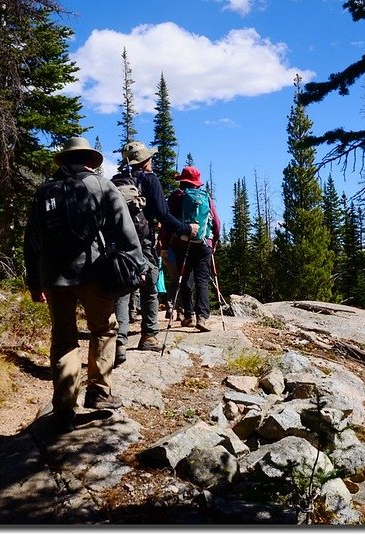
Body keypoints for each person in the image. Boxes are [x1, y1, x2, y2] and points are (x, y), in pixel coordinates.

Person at [23, 136, 146, 432]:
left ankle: (64, 407)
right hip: (94, 272)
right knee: (103, 329)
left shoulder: (43, 192)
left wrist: (34, 280)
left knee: (63, 338)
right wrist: (137, 265)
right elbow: (126, 230)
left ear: (64, 160)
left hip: (54, 276)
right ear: (90, 161)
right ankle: (99, 393)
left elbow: (31, 241)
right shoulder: (103, 186)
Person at [114, 141, 198, 358]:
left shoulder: (115, 181)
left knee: (123, 289)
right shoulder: (149, 180)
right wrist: (186, 228)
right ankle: (149, 336)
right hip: (143, 240)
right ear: (145, 161)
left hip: (118, 241)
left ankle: (119, 341)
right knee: (149, 287)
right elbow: (163, 214)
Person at [165, 166, 221, 332]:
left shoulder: (177, 197)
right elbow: (216, 222)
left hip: (183, 242)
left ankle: (188, 315)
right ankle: (202, 317)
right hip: (205, 243)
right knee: (202, 279)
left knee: (185, 278)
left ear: (182, 181)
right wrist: (214, 240)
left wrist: (165, 243)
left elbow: (169, 222)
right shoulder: (206, 197)